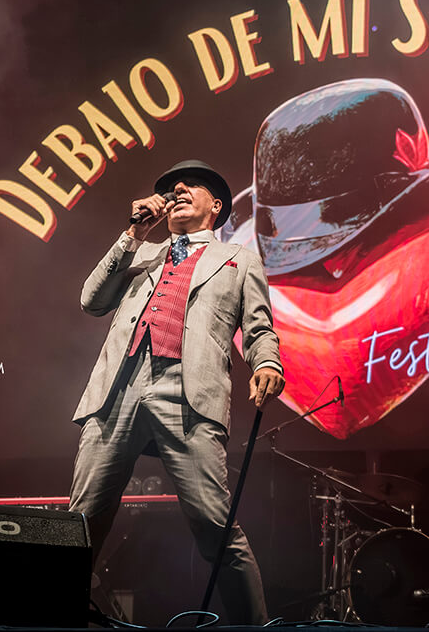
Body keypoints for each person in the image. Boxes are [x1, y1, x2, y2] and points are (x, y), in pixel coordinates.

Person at [69, 159, 285, 624]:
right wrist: (134, 233)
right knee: (82, 520)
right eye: (172, 187)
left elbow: (259, 327)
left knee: (214, 523)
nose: (179, 189)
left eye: (193, 185)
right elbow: (92, 301)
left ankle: (253, 628)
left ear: (216, 206)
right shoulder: (142, 252)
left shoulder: (239, 259)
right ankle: (56, 622)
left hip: (189, 394)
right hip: (118, 389)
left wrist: (267, 362)